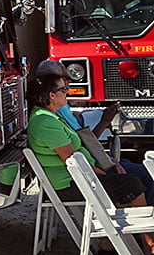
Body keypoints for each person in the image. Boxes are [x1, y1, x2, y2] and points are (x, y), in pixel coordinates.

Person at [27, 72, 154, 255]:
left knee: (136, 178)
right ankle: (149, 245)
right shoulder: (45, 121)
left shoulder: (49, 116)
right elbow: (73, 161)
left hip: (80, 178)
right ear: (51, 95)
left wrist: (110, 166)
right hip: (70, 184)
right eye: (63, 89)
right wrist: (105, 171)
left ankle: (113, 243)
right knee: (132, 183)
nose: (67, 92)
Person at [36, 59, 154, 204]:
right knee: (141, 177)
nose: (69, 84)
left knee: (134, 171)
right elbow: (73, 158)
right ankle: (143, 219)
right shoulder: (47, 120)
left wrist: (109, 161)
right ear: (51, 93)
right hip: (77, 178)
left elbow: (82, 143)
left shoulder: (55, 112)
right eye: (64, 81)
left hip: (92, 167)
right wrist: (104, 122)